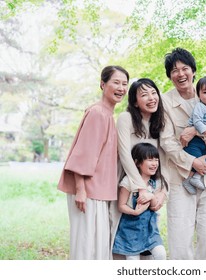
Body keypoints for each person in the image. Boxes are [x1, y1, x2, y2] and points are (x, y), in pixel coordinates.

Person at [160, 47, 206, 259]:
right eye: (174, 70)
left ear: (193, 71)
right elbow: (167, 141)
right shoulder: (164, 102)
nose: (180, 74)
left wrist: (196, 129)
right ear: (170, 76)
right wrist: (192, 163)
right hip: (181, 178)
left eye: (185, 68)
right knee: (180, 238)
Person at [57, 65, 129, 259]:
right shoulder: (98, 113)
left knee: (96, 249)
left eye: (124, 84)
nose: (121, 88)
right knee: (86, 249)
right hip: (87, 193)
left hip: (98, 192)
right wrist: (80, 189)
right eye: (116, 82)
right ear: (102, 84)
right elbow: (83, 154)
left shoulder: (107, 114)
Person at [110, 78, 168, 260]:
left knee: (149, 240)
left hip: (149, 188)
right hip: (127, 186)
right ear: (135, 102)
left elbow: (162, 162)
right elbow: (125, 155)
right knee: (122, 241)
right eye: (144, 95)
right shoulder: (126, 118)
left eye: (153, 93)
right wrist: (141, 188)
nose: (151, 98)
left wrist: (161, 193)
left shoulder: (159, 123)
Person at [112, 143, 166, 260]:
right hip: (130, 230)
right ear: (137, 163)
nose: (154, 163)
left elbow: (154, 206)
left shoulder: (155, 182)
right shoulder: (128, 182)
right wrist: (135, 212)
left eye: (156, 160)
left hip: (150, 229)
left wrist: (151, 197)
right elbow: (121, 206)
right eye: (150, 160)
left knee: (160, 254)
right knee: (133, 260)